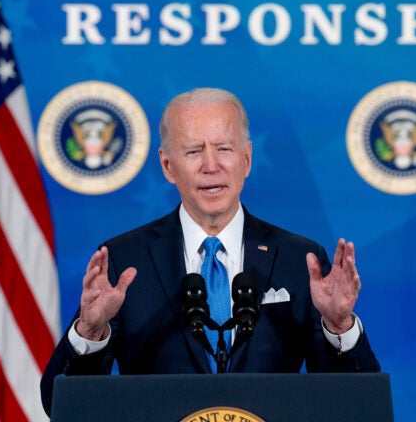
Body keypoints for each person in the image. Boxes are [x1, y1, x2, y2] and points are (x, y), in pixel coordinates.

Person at [40, 87, 381, 415]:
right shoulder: (126, 261)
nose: (210, 165)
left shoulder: (299, 260)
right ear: (168, 166)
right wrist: (90, 334)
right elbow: (60, 403)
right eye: (193, 151)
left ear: (246, 159)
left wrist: (339, 326)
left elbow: (356, 404)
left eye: (224, 149)